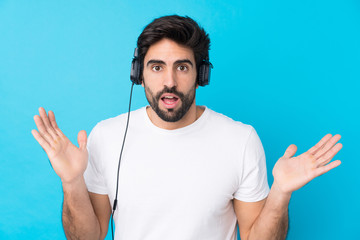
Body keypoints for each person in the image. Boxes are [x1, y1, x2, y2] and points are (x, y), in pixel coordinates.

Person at [31, 15, 343, 240]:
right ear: (138, 73)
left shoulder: (240, 140)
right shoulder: (107, 136)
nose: (169, 82)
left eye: (182, 67)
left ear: (201, 74)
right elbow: (88, 237)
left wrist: (280, 195)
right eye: (156, 67)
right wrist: (72, 182)